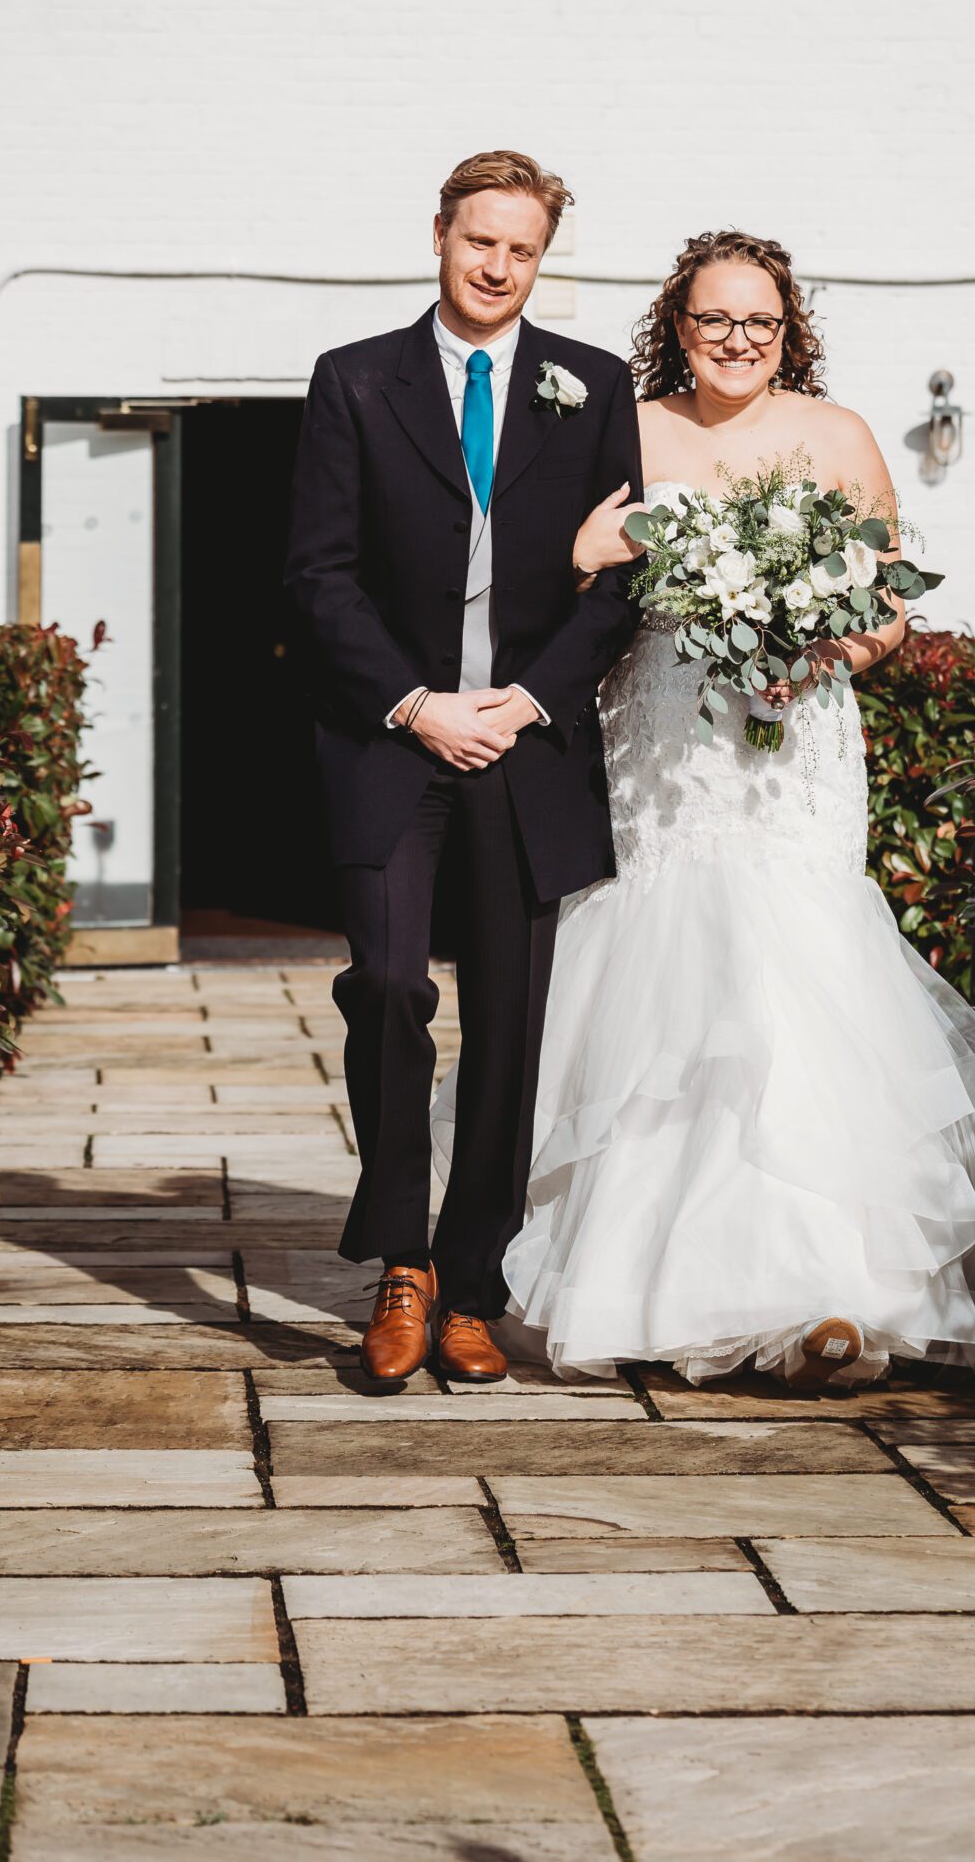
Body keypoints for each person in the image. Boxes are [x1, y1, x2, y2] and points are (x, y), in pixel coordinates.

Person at [475, 228, 975, 1387]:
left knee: (793, 983)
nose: (736, 340)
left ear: (789, 331)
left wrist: (827, 642)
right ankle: (656, 1291)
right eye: (712, 319)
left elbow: (888, 603)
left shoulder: (835, 435)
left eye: (759, 321)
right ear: (673, 327)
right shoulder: (625, 427)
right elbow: (562, 575)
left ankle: (837, 1295)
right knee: (670, 995)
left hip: (792, 745)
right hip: (664, 737)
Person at [284, 151, 642, 1385]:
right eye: (478, 240)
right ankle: (398, 1264)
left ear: (543, 259)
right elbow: (317, 575)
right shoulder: (356, 382)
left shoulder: (590, 383)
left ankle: (474, 1282)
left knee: (510, 1015)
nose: (497, 267)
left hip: (527, 746)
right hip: (392, 736)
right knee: (385, 985)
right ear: (438, 233)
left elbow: (619, 578)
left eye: (522, 250)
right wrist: (416, 704)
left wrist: (527, 701)